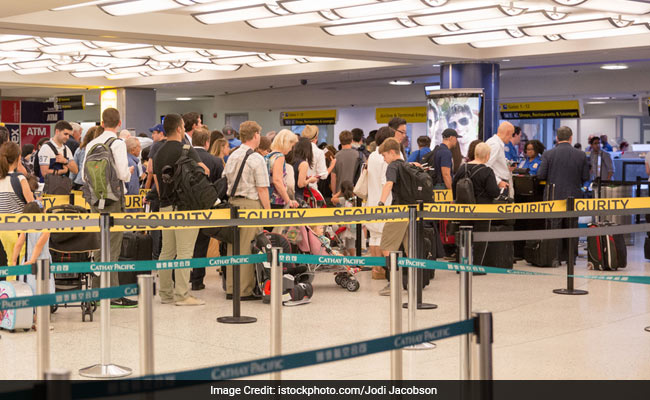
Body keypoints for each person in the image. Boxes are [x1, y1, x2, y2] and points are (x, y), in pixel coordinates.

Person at [81, 108, 136, 308]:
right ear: (119, 123)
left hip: (95, 199)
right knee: (112, 247)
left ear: (102, 123)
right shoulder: (118, 143)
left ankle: (96, 291)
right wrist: (129, 172)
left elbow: (84, 176)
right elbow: (122, 173)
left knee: (98, 245)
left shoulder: (92, 144)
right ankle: (112, 294)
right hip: (113, 201)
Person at [152, 113, 207, 306]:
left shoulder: (157, 151)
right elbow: (203, 170)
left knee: (167, 251)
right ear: (179, 129)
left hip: (165, 205)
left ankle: (165, 293)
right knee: (184, 252)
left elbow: (157, 181)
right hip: (185, 208)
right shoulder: (186, 149)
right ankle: (182, 295)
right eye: (183, 126)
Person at [223, 120, 271, 300]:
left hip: (233, 204)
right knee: (247, 247)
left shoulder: (233, 156)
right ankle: (243, 290)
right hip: (250, 205)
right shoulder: (256, 158)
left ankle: (231, 287)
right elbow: (262, 189)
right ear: (256, 135)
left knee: (232, 247)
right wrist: (268, 212)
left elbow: (225, 178)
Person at [537, 126, 590, 264]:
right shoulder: (581, 155)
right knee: (572, 226)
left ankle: (555, 257)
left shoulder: (548, 154)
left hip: (554, 196)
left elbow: (541, 175)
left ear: (557, 138)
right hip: (574, 196)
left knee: (555, 226)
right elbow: (586, 176)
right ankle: (571, 258)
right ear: (571, 138)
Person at [452, 143, 501, 265]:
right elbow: (494, 192)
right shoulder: (487, 171)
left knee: (463, 237)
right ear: (487, 156)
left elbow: (454, 186)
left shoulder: (462, 168)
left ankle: (462, 264)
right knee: (481, 237)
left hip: (464, 208)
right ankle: (477, 265)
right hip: (482, 209)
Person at [189, 128, 223, 291]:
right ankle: (197, 280)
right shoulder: (215, 161)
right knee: (201, 244)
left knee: (184, 245)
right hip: (207, 208)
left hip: (186, 207)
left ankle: (180, 276)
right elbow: (220, 186)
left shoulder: (183, 158)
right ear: (207, 142)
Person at [377, 137, 409, 296]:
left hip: (398, 211)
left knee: (387, 246)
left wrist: (381, 203)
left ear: (391, 152)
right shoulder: (407, 165)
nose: (384, 159)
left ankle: (393, 282)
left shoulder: (393, 166)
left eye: (384, 155)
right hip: (412, 212)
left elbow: (389, 184)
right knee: (409, 249)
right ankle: (412, 281)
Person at [366, 126, 395, 280]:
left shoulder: (371, 156)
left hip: (372, 200)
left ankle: (375, 269)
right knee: (385, 237)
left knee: (374, 236)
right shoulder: (386, 156)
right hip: (385, 200)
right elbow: (387, 181)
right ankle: (384, 269)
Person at [11, 202, 55, 296]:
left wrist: (14, 260)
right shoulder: (46, 227)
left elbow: (19, 244)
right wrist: (33, 260)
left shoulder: (26, 227)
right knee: (43, 288)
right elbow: (39, 245)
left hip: (27, 259)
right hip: (42, 260)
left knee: (27, 288)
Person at [266, 129, 299, 209]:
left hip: (267, 198)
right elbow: (277, 181)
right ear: (287, 144)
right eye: (291, 146)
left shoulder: (269, 156)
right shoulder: (279, 157)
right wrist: (288, 200)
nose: (291, 149)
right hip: (277, 201)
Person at [485, 122, 514, 197]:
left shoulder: (493, 142)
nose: (511, 138)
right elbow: (486, 166)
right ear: (507, 133)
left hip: (499, 182)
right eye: (511, 135)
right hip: (499, 184)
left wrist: (507, 165)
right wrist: (498, 182)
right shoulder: (495, 145)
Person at [331, 181, 357, 256]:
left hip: (345, 225)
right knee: (351, 243)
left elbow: (333, 199)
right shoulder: (355, 199)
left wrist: (340, 192)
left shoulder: (343, 200)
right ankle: (353, 260)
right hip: (353, 224)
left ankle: (347, 261)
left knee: (345, 244)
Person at [301, 125, 329, 191]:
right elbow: (323, 175)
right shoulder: (319, 152)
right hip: (311, 189)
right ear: (316, 137)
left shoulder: (296, 150)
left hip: (297, 189)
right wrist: (332, 165)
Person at [292, 137, 318, 203]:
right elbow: (300, 184)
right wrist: (310, 180)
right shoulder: (303, 163)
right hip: (298, 196)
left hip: (290, 194)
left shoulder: (292, 160)